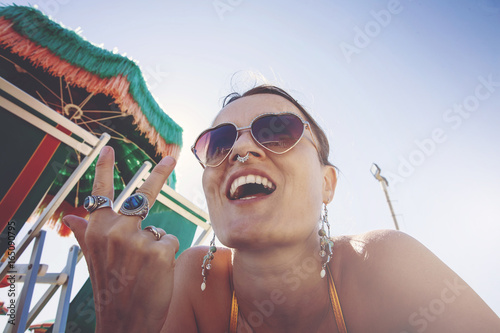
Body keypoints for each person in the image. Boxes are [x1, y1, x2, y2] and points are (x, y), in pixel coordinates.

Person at [64, 85, 500, 333]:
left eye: (276, 131)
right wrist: (121, 325)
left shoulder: (383, 262)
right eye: (218, 143)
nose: (240, 149)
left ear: (327, 184)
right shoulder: (196, 282)